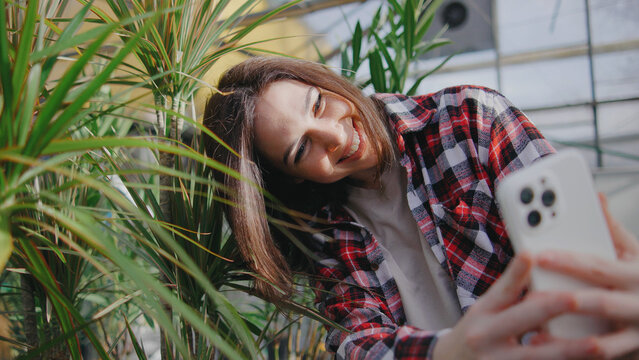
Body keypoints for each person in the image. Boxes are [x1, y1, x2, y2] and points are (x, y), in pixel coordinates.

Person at [202, 56, 639, 359]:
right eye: (301, 149)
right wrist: (453, 352)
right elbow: (360, 344)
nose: (333, 136)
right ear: (295, 177)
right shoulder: (325, 235)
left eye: (318, 104)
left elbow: (585, 258)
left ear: (323, 80)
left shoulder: (471, 121)